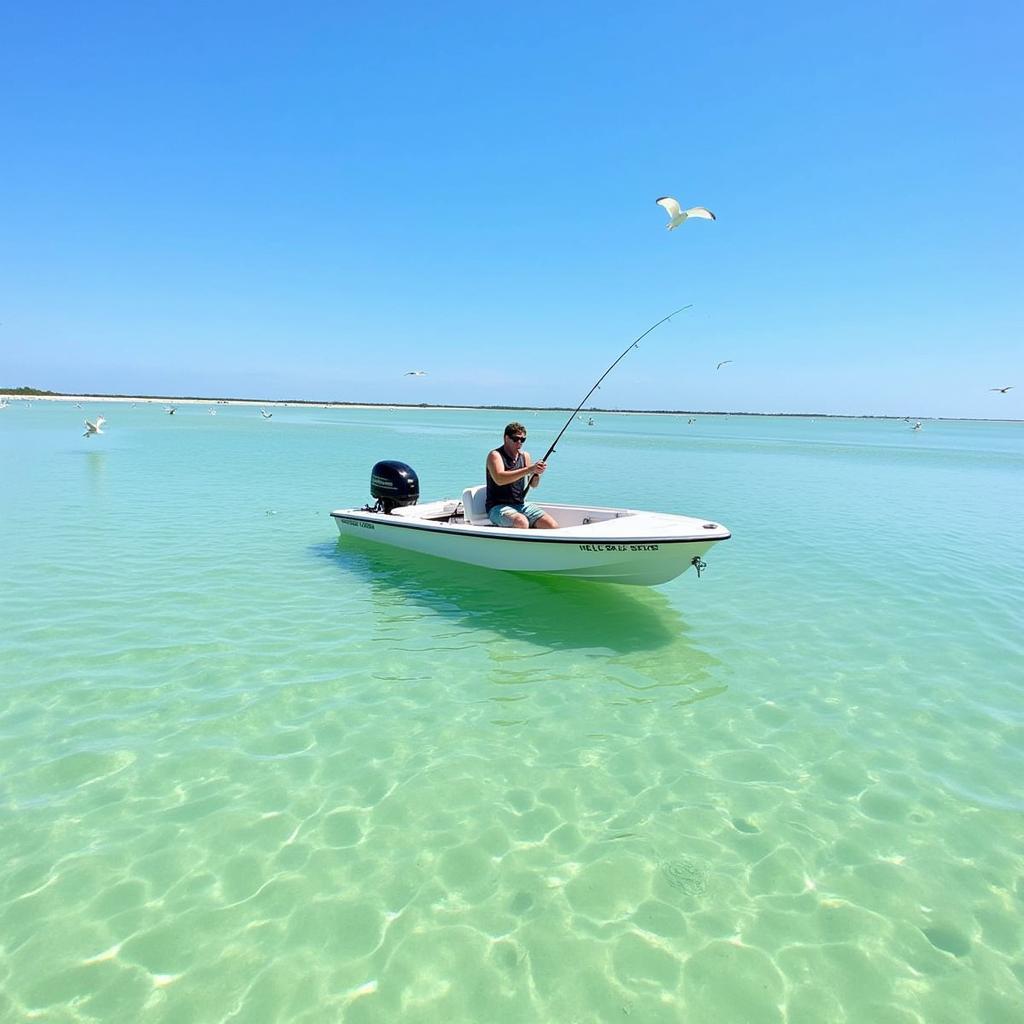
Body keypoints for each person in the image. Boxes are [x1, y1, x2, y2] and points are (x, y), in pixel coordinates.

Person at [485, 422, 559, 529]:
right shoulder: (495, 455)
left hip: (520, 504)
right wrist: (529, 469)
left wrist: (536, 473)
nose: (519, 442)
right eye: (516, 439)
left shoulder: (525, 456)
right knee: (521, 522)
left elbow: (533, 484)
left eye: (522, 440)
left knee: (552, 525)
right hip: (497, 507)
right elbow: (499, 479)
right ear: (506, 438)